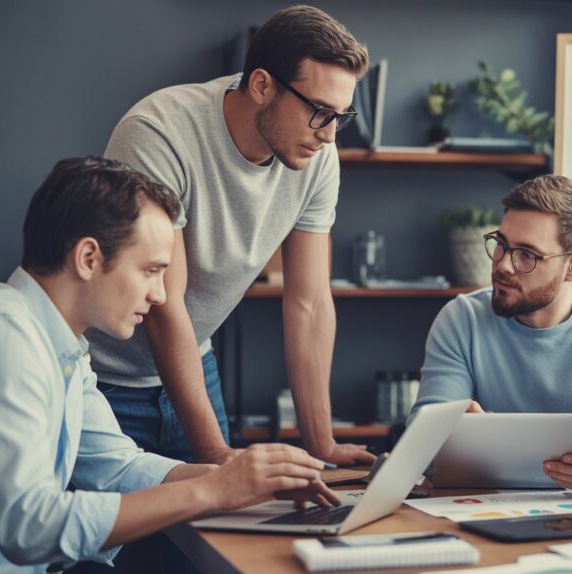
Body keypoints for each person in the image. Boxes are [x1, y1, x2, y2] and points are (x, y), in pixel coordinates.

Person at [0, 157, 339, 573]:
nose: (160, 295)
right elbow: (29, 527)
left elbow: (119, 466)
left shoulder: (61, 344)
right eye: (150, 271)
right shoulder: (0, 335)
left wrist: (247, 479)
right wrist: (214, 491)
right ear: (89, 258)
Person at [89, 5, 375, 466]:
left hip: (193, 367)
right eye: (320, 113)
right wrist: (218, 456)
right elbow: (165, 301)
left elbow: (310, 301)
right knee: (108, 534)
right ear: (262, 85)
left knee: (219, 534)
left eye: (340, 117)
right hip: (102, 382)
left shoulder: (318, 154)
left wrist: (321, 444)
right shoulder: (160, 132)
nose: (328, 136)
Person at [410, 175, 572, 491]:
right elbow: (418, 451)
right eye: (501, 245)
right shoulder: (462, 318)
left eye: (527, 255)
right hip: (483, 509)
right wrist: (451, 435)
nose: (504, 265)